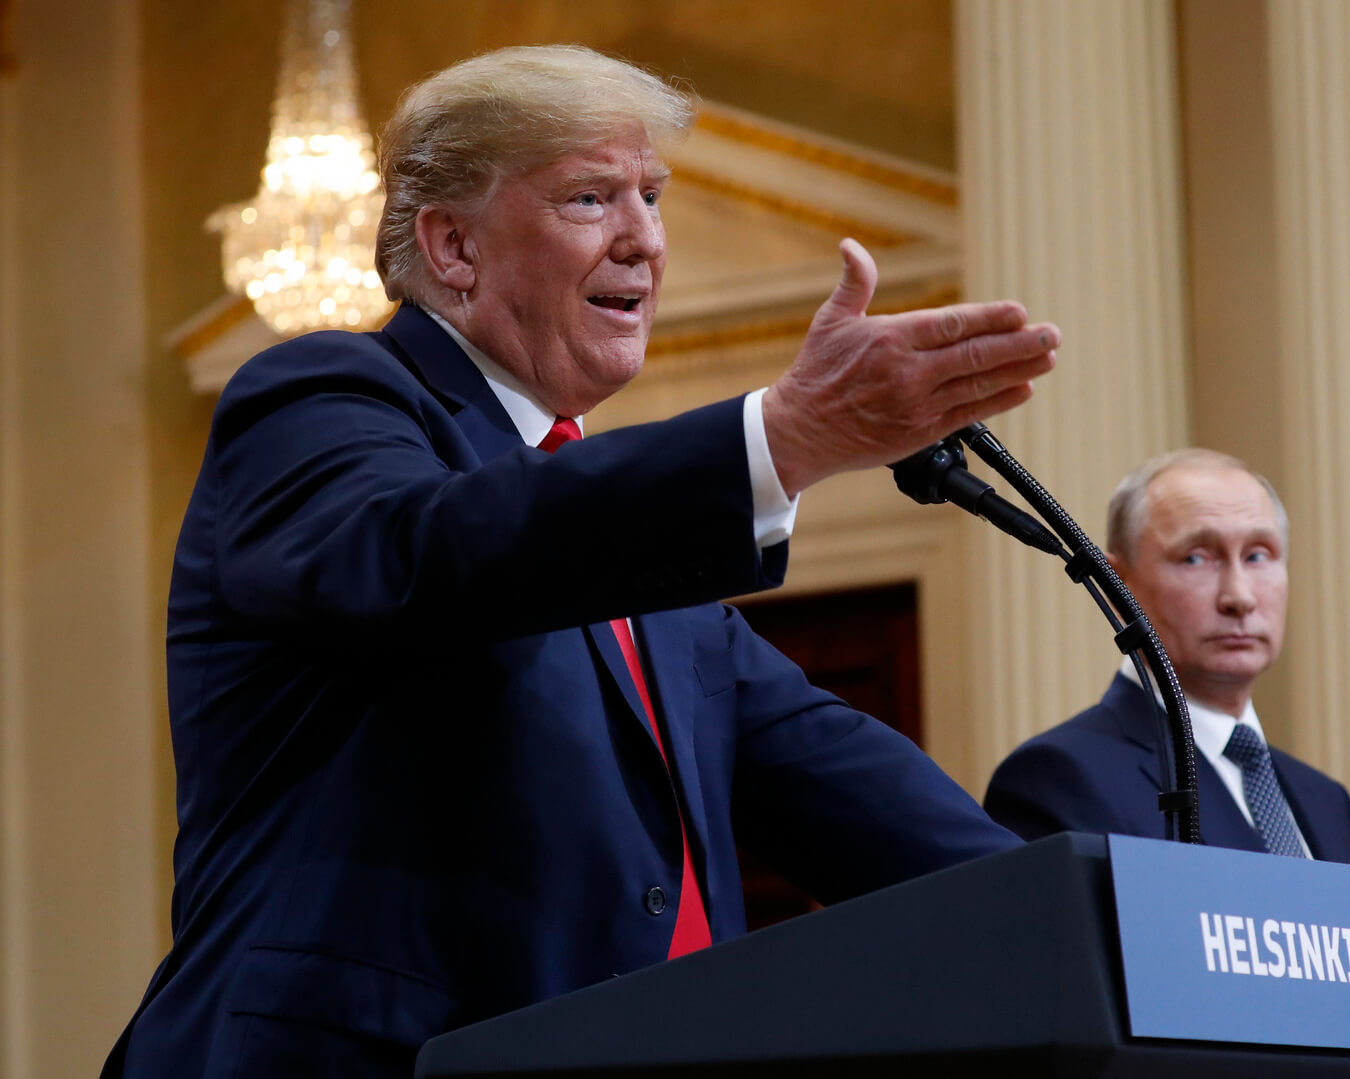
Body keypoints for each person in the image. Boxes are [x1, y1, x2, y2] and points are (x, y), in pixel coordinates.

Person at [104, 46, 1060, 1079]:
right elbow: (433, 550)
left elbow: (850, 784)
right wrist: (775, 440)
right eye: (589, 197)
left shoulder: (634, 551)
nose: (645, 237)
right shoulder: (319, 401)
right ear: (454, 246)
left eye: (650, 195)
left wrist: (1089, 925)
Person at [984, 449, 1350, 864]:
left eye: (1258, 555)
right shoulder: (1058, 778)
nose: (1239, 597)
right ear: (1118, 586)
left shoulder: (1328, 803)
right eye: (1196, 558)